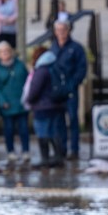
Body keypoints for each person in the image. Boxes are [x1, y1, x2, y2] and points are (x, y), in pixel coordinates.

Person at [48, 16, 87, 160]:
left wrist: (72, 84)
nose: (61, 32)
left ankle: (74, 149)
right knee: (59, 121)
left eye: (63, 29)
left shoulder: (76, 48)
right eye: (58, 29)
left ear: (68, 30)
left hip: (70, 90)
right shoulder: (53, 47)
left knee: (73, 120)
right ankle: (61, 149)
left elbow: (82, 69)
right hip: (57, 91)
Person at [22, 45, 65, 167]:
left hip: (42, 106)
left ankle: (45, 158)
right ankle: (58, 157)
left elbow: (34, 90)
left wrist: (29, 100)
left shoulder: (41, 70)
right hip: (55, 105)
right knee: (53, 132)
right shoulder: (54, 66)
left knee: (42, 132)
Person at [0, 41, 30, 163]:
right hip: (7, 104)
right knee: (9, 129)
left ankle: (25, 151)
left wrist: (28, 97)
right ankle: (10, 151)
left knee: (24, 128)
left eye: (7, 51)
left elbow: (28, 80)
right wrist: (2, 101)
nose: (5, 53)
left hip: (21, 102)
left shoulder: (20, 65)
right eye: (2, 52)